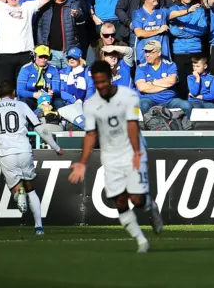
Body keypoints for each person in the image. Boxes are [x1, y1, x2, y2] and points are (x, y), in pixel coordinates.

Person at [68, 60, 163, 253]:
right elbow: (91, 134)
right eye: (97, 83)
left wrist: (136, 152)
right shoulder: (91, 105)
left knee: (136, 199)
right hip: (111, 157)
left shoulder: (128, 96)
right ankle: (141, 241)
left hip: (132, 151)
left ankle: (150, 205)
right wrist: (82, 162)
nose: (100, 86)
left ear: (110, 78)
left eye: (103, 81)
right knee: (119, 200)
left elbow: (132, 125)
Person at [0, 80, 64, 235]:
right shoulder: (22, 106)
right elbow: (40, 129)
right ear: (14, 93)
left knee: (16, 190)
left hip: (6, 153)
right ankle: (39, 228)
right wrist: (56, 147)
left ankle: (19, 196)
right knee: (31, 189)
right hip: (24, 150)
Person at [132, 0, 196, 64]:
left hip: (163, 57)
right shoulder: (137, 13)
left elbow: (174, 13)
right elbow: (139, 33)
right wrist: (158, 30)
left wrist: (188, 10)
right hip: (144, 58)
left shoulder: (162, 12)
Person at [169, 0, 208, 97]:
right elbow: (174, 31)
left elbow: (202, 29)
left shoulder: (199, 10)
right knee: (181, 81)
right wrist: (192, 31)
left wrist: (184, 27)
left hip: (195, 49)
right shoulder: (173, 10)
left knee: (196, 79)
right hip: (179, 51)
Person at [134, 41, 193, 115]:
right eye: (146, 52)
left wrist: (152, 83)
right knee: (144, 104)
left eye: (150, 52)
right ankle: (151, 126)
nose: (147, 55)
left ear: (159, 53)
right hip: (149, 99)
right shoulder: (141, 68)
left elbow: (172, 80)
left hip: (169, 100)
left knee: (187, 106)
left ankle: (184, 126)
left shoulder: (170, 65)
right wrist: (166, 86)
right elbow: (142, 87)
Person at [36, 0, 82, 69]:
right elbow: (40, 26)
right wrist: (42, 44)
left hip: (68, 52)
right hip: (51, 52)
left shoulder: (73, 2)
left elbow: (81, 15)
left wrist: (77, 14)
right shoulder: (47, 5)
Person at [16, 45, 62, 110]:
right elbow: (19, 91)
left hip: (48, 98)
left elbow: (56, 88)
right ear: (34, 56)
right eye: (40, 56)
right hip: (31, 97)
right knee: (24, 103)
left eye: (45, 57)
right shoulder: (26, 69)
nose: (43, 59)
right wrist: (34, 94)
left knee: (59, 103)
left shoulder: (53, 69)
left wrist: (52, 93)